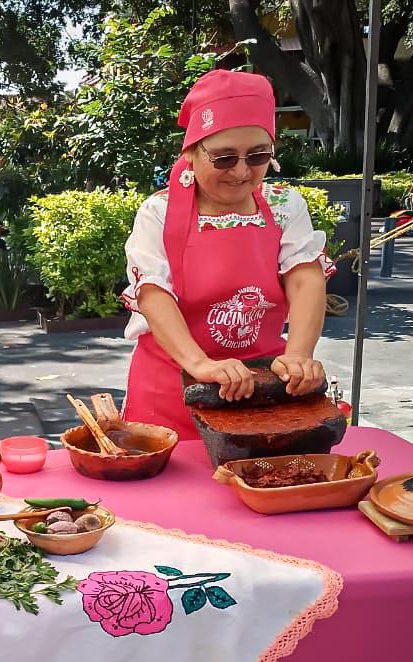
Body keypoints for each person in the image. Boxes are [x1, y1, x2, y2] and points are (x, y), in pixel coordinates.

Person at [119, 69, 333, 440]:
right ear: (190, 152)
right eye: (223, 158)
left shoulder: (285, 206)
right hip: (172, 389)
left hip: (262, 384)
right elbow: (153, 292)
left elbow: (305, 277)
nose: (241, 171)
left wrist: (299, 354)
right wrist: (199, 364)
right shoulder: (159, 213)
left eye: (257, 156)